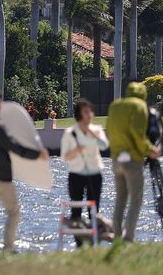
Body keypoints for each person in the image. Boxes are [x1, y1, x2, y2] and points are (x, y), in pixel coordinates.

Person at [0, 91, 49, 253]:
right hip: (2, 178)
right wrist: (37, 155)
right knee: (13, 212)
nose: (0, 107)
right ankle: (8, 247)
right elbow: (15, 148)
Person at [107, 82, 161, 242]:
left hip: (116, 159)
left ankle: (116, 236)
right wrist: (150, 149)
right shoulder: (139, 106)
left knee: (120, 199)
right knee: (136, 198)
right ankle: (128, 237)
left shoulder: (115, 106)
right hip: (132, 160)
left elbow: (109, 131)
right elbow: (137, 134)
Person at [60, 98, 109, 244]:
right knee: (76, 210)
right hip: (76, 174)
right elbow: (64, 157)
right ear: (79, 114)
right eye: (86, 112)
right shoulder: (70, 133)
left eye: (90, 111)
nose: (89, 115)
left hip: (95, 174)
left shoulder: (97, 130)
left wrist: (92, 134)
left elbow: (104, 146)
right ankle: (79, 243)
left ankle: (94, 241)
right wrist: (76, 150)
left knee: (94, 210)